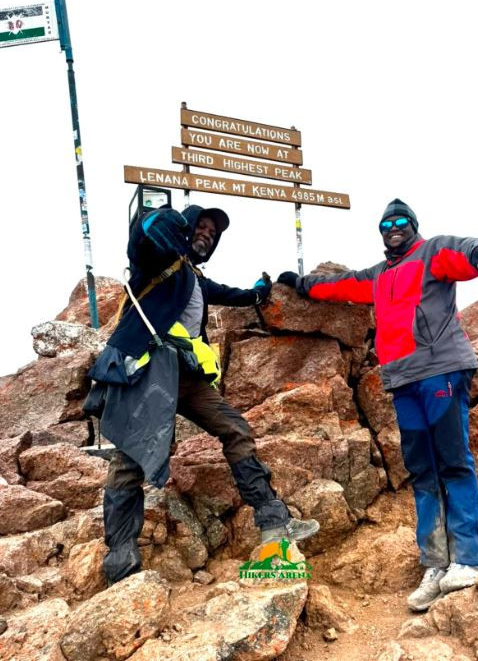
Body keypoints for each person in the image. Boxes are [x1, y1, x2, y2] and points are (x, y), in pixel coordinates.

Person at [277, 198, 478, 611]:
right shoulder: (379, 276)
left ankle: (468, 560)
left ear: (413, 225)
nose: (394, 227)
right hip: (403, 381)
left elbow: (465, 253)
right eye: (386, 223)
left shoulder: (432, 252)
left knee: (453, 461)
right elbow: (341, 286)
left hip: (441, 370)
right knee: (421, 470)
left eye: (401, 221)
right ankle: (435, 564)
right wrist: (302, 284)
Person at [85, 204, 319, 585]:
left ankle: (274, 521)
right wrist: (149, 222)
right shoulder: (158, 260)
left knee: (234, 427)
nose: (207, 233)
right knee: (131, 457)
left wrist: (257, 293)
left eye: (214, 231)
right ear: (185, 227)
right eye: (202, 226)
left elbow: (230, 293)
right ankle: (120, 558)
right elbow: (139, 243)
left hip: (186, 376)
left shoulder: (194, 277)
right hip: (147, 368)